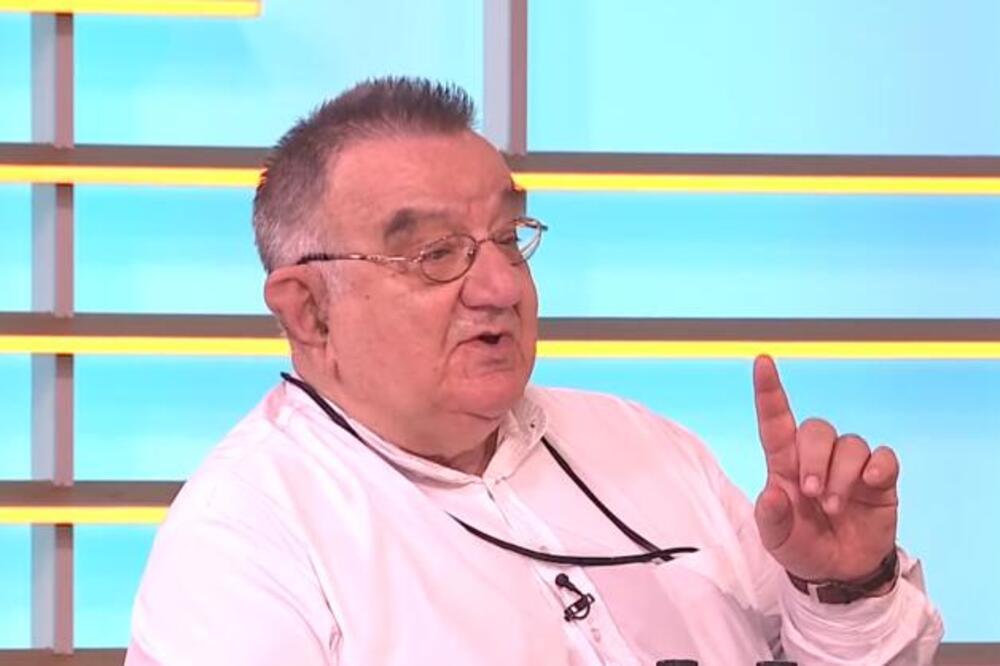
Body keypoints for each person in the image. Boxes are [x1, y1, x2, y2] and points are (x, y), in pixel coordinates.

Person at [125, 77, 943, 665]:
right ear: (309, 312)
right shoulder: (244, 542)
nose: (501, 287)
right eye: (435, 253)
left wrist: (844, 589)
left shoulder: (647, 446)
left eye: (510, 239)